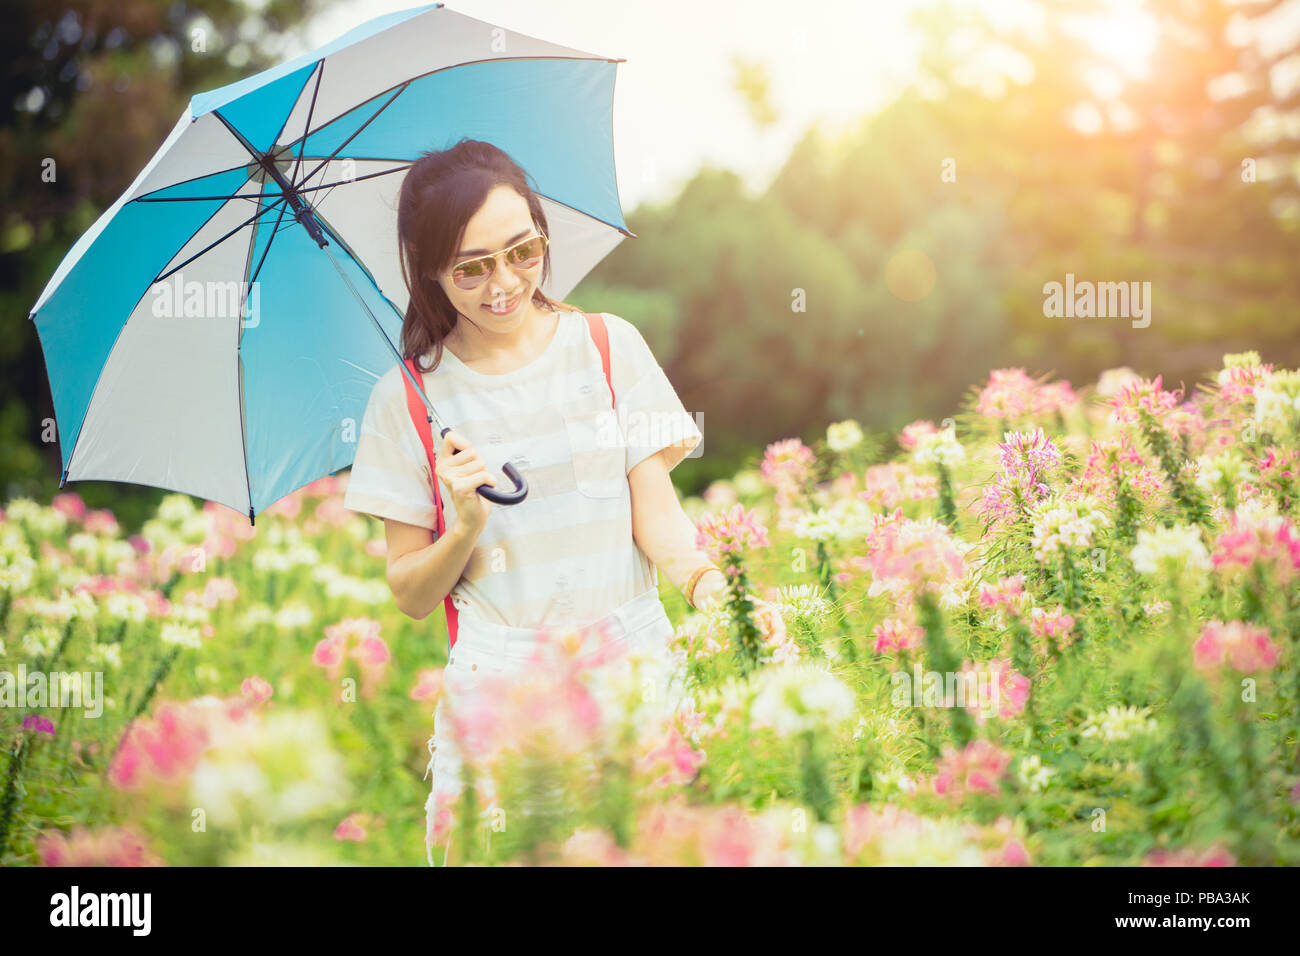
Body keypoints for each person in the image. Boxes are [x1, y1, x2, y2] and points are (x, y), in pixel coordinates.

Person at [342, 139, 750, 865]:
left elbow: (656, 518)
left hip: (632, 664)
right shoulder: (405, 400)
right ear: (431, 272)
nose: (503, 283)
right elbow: (408, 589)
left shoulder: (606, 346)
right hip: (501, 689)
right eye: (471, 268)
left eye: (522, 252)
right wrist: (464, 526)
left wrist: (718, 592)